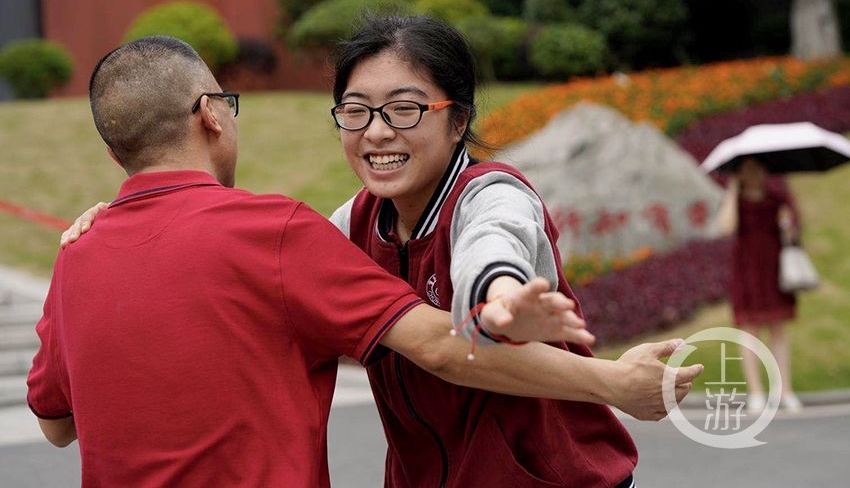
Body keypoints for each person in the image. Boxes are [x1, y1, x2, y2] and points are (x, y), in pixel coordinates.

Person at [61, 31, 703, 487]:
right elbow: (247, 265)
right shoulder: (350, 224)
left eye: (404, 110)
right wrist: (117, 222)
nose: (375, 132)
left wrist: (497, 298)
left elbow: (491, 253)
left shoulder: (492, 195)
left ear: (458, 122)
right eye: (356, 111)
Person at [715, 156, 802, 413]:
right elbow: (726, 226)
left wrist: (787, 224)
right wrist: (732, 189)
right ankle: (756, 392)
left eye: (758, 168)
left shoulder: (778, 198)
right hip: (746, 271)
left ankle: (785, 390)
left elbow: (793, 232)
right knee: (750, 332)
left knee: (778, 331)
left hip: (774, 269)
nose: (754, 174)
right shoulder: (737, 201)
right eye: (747, 169)